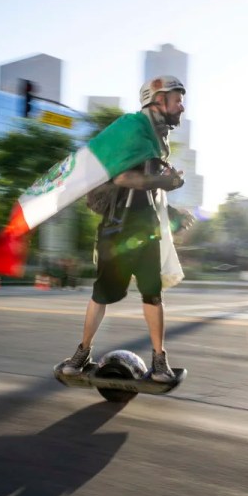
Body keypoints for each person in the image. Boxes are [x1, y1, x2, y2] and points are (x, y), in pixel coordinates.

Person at [60, 75, 195, 383]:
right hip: (118, 228)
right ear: (158, 100)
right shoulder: (134, 129)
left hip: (145, 224)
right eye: (177, 99)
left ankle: (160, 362)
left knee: (153, 293)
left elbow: (148, 189)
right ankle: (81, 355)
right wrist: (166, 182)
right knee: (103, 295)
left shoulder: (157, 137)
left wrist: (170, 210)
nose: (182, 106)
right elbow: (123, 179)